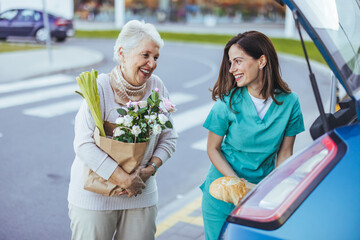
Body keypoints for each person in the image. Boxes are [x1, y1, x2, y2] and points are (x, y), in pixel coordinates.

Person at [67, 20, 178, 240]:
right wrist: (125, 179)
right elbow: (83, 144)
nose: (152, 63)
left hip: (140, 193)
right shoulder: (99, 87)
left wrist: (150, 170)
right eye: (145, 55)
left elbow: (169, 137)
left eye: (156, 57)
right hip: (94, 195)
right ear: (122, 53)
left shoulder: (157, 86)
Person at [200, 31, 305, 239]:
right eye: (230, 63)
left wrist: (280, 191)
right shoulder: (226, 103)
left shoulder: (290, 103)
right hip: (222, 195)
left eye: (238, 61)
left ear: (262, 61)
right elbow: (213, 148)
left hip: (261, 195)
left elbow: (285, 154)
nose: (232, 69)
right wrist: (238, 187)